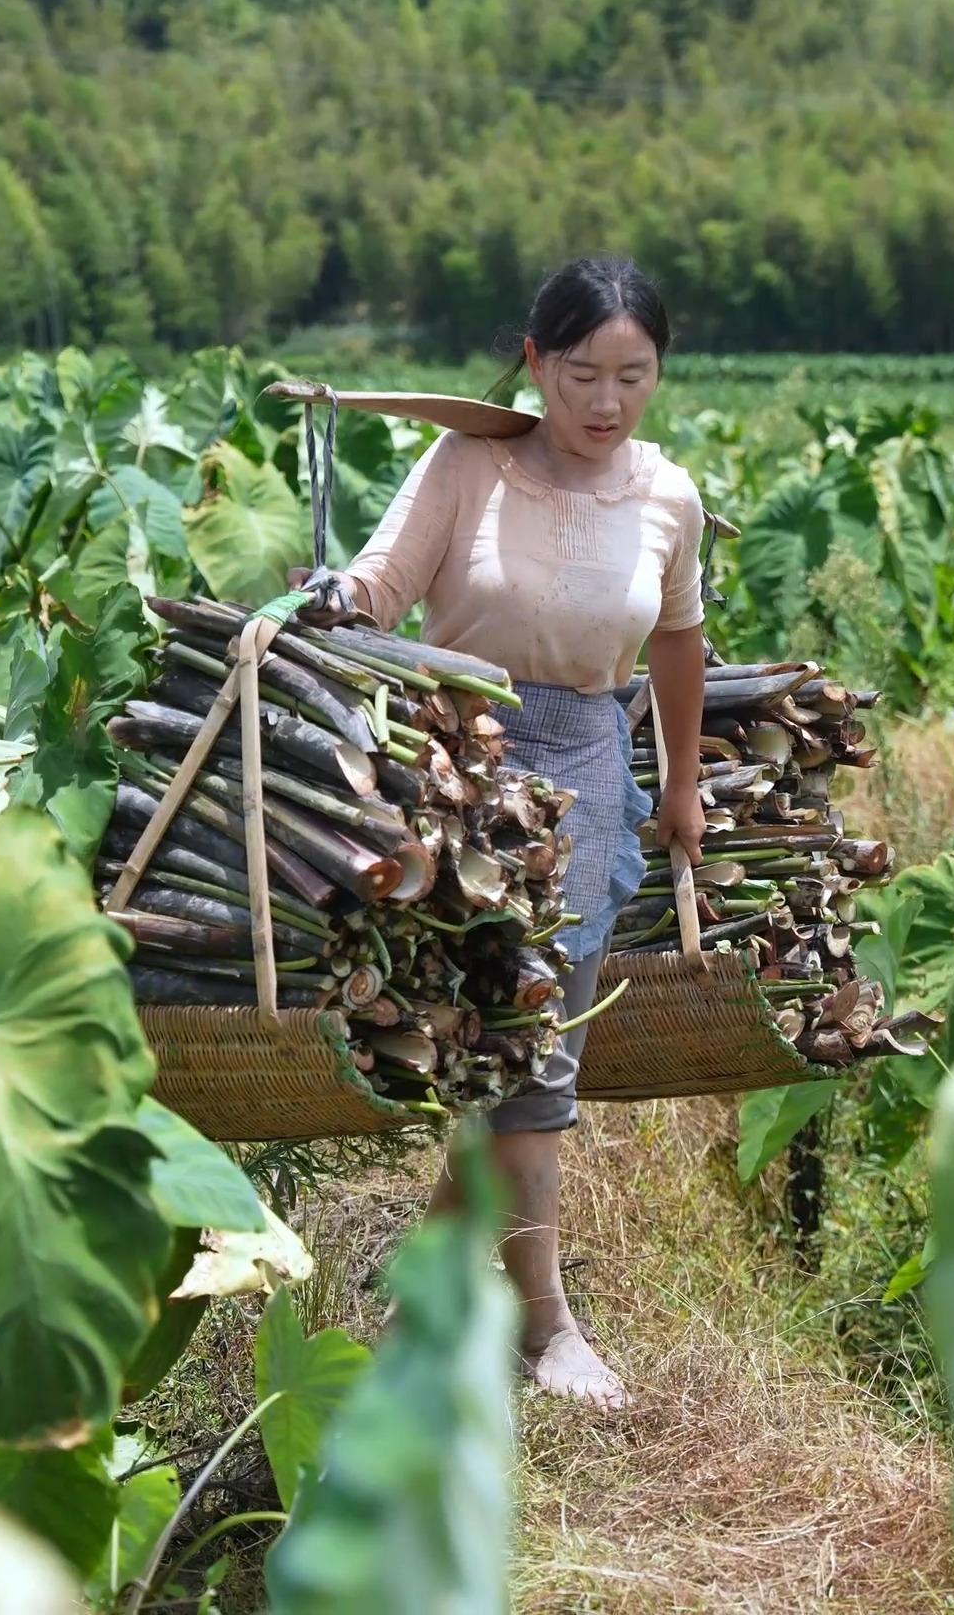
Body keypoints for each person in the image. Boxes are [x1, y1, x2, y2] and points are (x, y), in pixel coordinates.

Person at [294, 255, 707, 1410]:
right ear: (535, 362)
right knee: (476, 1049)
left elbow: (679, 641)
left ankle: (543, 1326)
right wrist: (326, 600)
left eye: (635, 376)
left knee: (532, 1054)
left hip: (583, 770)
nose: (608, 402)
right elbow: (380, 587)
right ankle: (442, 1287)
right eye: (583, 373)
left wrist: (677, 784)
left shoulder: (667, 495)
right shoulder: (469, 462)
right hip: (451, 773)